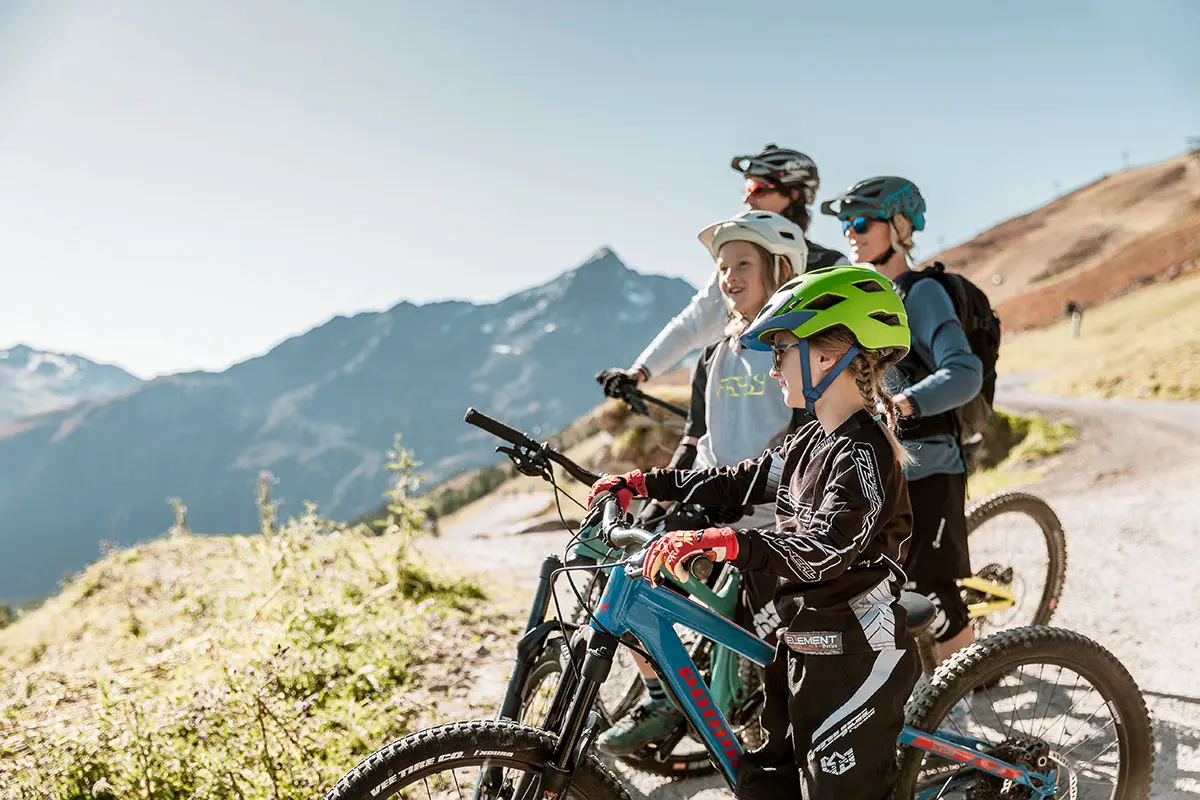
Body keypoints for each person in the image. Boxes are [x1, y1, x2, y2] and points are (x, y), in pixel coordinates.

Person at [587, 265, 921, 799]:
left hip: (857, 651)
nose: (772, 371)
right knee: (764, 783)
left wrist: (723, 542)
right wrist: (645, 483)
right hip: (800, 641)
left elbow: (822, 549)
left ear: (828, 356)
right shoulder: (811, 440)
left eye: (782, 351)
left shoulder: (864, 453)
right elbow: (733, 482)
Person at [595, 209, 811, 756]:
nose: (729, 277)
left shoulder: (795, 351)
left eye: (743, 264)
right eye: (722, 267)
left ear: (781, 269)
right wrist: (660, 491)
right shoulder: (715, 353)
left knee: (782, 660)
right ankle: (662, 698)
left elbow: (801, 452)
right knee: (622, 583)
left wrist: (717, 501)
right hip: (713, 508)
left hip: (767, 522)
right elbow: (697, 436)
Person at [820, 177, 983, 663]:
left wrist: (905, 404)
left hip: (931, 468)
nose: (851, 231)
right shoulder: (872, 297)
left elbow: (964, 371)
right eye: (846, 224)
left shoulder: (922, 291)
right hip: (891, 473)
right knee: (891, 596)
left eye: (863, 221)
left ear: (900, 224)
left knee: (940, 599)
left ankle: (966, 707)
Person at [596, 144, 849, 397]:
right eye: (746, 189)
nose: (748, 199)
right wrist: (639, 372)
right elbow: (693, 323)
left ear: (794, 194)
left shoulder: (831, 265)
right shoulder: (735, 269)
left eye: (757, 189)